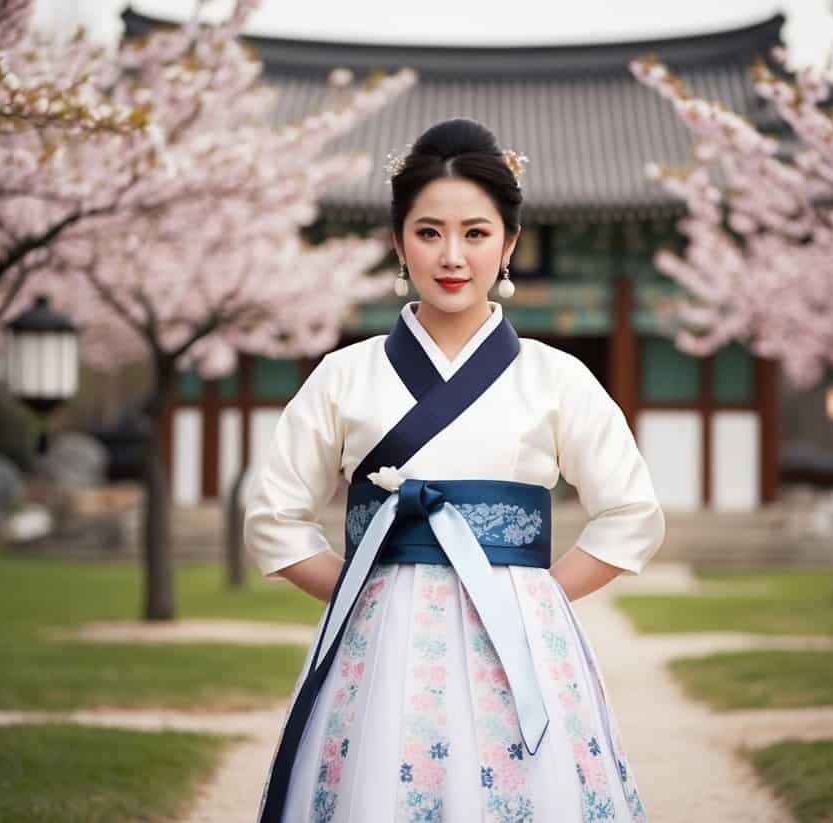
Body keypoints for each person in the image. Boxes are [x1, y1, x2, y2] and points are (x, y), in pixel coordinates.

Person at [245, 117, 666, 823]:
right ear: (397, 241)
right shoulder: (344, 376)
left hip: (520, 645)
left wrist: (534, 601)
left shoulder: (555, 378)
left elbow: (632, 513)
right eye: (429, 231)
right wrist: (363, 595)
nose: (452, 255)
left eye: (475, 232)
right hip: (379, 647)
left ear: (509, 243)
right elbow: (274, 518)